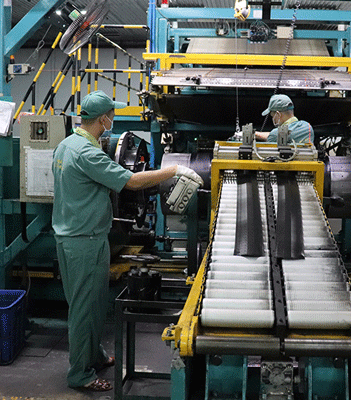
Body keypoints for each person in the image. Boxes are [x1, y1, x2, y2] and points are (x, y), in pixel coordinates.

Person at [52, 90, 203, 392]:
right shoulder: (88, 153)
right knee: (83, 308)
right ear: (103, 118)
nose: (114, 119)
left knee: (92, 304)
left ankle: (93, 355)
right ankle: (79, 374)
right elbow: (131, 181)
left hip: (75, 236)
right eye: (112, 114)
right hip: (85, 240)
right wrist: (174, 169)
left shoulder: (67, 145)